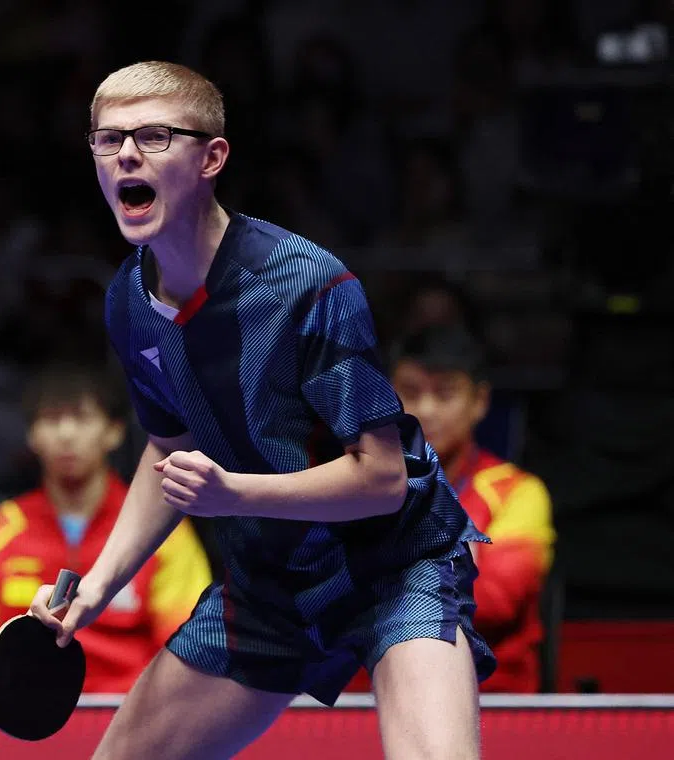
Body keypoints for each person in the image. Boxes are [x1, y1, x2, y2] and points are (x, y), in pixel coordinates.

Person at [29, 61, 495, 760]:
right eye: (108, 138)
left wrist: (234, 493)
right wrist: (95, 588)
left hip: (392, 567)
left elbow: (381, 478)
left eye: (153, 136)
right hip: (269, 583)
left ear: (212, 157)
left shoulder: (308, 284)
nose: (125, 154)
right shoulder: (128, 301)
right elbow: (169, 449)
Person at [0, 361, 210, 693]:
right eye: (51, 420)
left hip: (128, 708)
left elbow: (184, 640)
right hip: (27, 709)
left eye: (82, 418)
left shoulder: (160, 531)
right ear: (32, 435)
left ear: (114, 431)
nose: (66, 434)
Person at [390, 324, 554, 693]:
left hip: (493, 701)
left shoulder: (517, 493)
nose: (426, 410)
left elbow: (495, 602)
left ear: (479, 401)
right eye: (410, 392)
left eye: (445, 393)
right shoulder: (352, 487)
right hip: (371, 699)